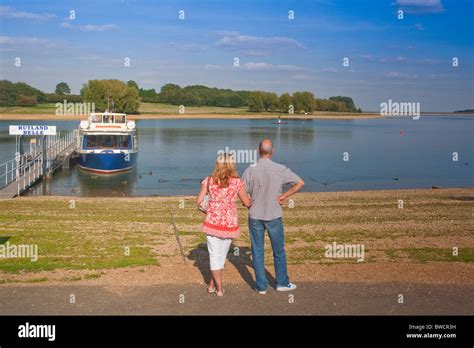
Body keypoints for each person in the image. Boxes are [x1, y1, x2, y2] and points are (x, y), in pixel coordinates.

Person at [242, 139, 304, 294]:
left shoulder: (250, 169)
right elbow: (300, 182)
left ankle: (261, 286)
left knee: (257, 251)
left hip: (255, 215)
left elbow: (240, 190)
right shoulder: (280, 169)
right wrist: (285, 195)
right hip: (274, 215)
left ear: (258, 151)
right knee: (278, 251)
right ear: (272, 151)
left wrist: (248, 203)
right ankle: (282, 283)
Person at [196, 153, 251, 297]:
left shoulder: (208, 181)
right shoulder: (237, 183)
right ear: (232, 165)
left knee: (215, 256)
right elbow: (247, 202)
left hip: (212, 223)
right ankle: (219, 288)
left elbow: (199, 202)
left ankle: (213, 285)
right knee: (221, 256)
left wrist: (211, 210)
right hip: (229, 224)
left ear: (217, 164)